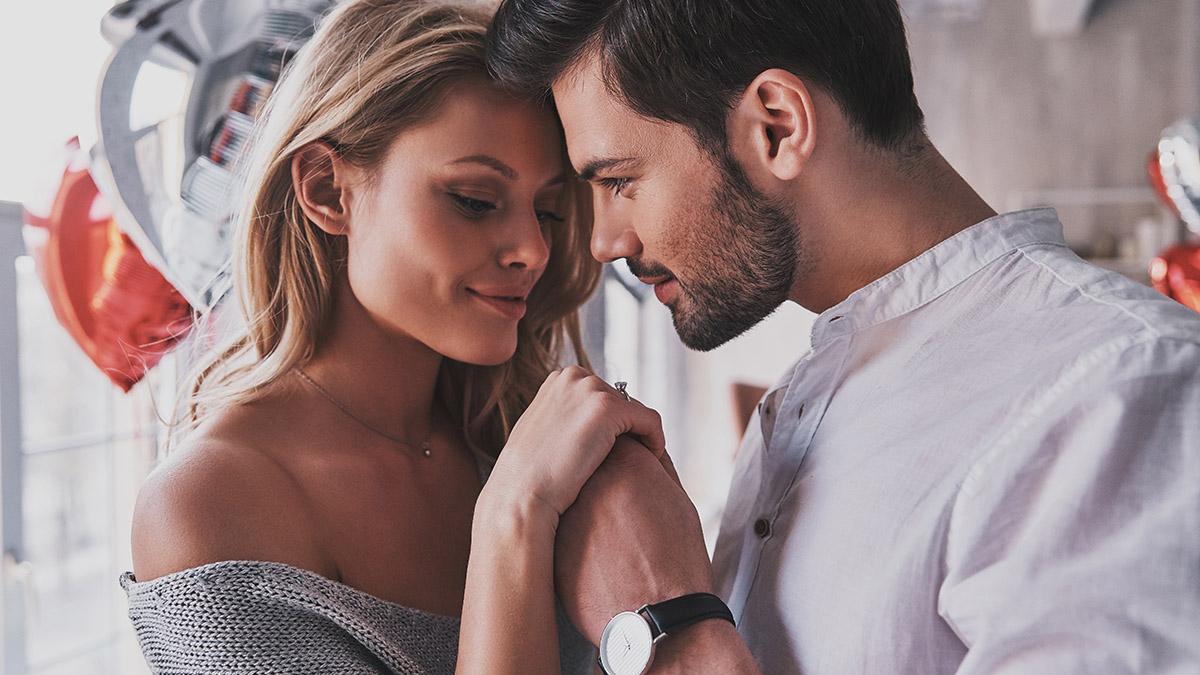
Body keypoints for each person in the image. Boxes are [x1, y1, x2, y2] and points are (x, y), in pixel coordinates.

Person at [486, 1, 1200, 673]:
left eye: (617, 180)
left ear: (777, 126)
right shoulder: (810, 398)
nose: (607, 240)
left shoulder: (1116, 394)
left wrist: (669, 618)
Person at [120, 1, 669, 673]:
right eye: (474, 199)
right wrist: (514, 516)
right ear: (328, 190)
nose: (531, 247)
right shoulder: (212, 504)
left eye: (548, 210)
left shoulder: (521, 440)